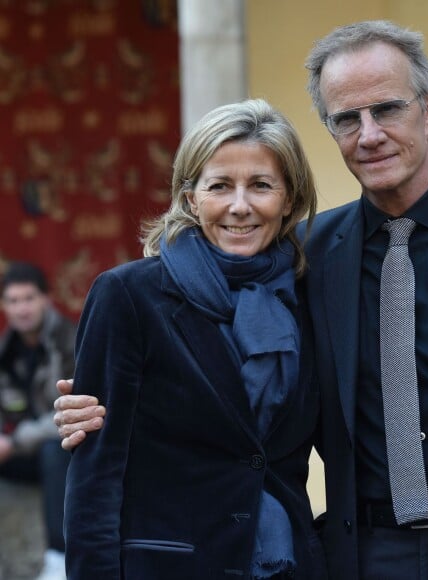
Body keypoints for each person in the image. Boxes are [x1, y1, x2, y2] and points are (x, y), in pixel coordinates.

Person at [55, 19, 428, 580]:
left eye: (388, 109)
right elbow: (227, 377)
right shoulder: (307, 257)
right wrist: (92, 406)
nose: (369, 134)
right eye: (346, 118)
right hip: (362, 556)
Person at [62, 98, 326, 580]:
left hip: (287, 565)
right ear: (190, 199)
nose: (240, 205)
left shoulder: (311, 299)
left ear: (288, 199)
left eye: (261, 186)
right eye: (220, 186)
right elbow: (95, 478)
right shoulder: (129, 295)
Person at [0, 261, 75, 580]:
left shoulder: (71, 340)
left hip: (70, 447)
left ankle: (58, 557)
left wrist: (14, 441)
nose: (22, 309)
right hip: (19, 450)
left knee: (53, 449)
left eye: (29, 299)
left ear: (46, 298)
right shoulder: (6, 350)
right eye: (13, 301)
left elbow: (68, 413)